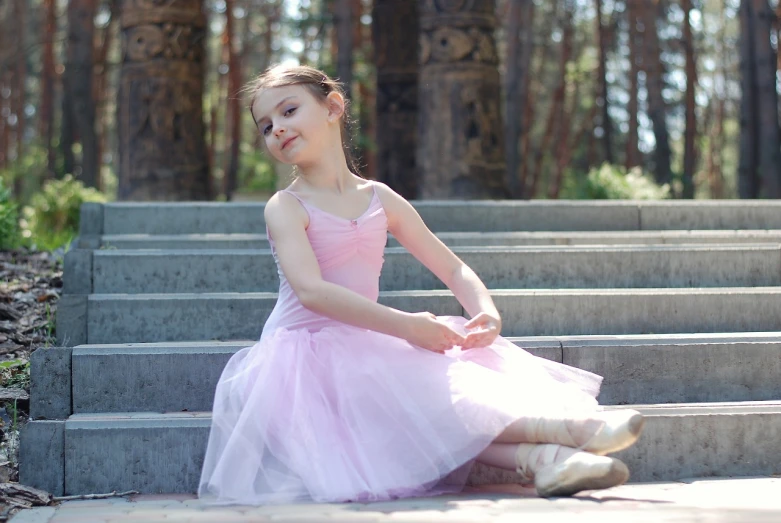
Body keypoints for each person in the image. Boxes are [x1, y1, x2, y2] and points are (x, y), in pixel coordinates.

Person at [197, 64, 645, 505]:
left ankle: (550, 461)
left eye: (289, 111)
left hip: (368, 339)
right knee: (422, 404)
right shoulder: (285, 206)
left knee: (445, 390)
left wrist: (484, 311)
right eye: (266, 125)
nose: (276, 129)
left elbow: (452, 269)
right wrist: (408, 327)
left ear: (333, 107)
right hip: (303, 355)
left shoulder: (380, 198)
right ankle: (574, 435)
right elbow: (312, 293)